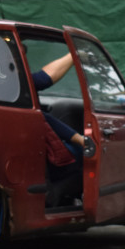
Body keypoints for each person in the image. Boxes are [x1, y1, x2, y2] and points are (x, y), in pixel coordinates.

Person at [31, 52, 95, 207]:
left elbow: (42, 77)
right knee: (80, 155)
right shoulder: (12, 82)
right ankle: (57, 194)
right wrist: (79, 139)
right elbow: (43, 79)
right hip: (34, 152)